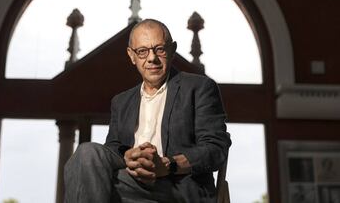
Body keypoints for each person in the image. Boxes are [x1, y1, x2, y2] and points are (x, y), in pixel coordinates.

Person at [64, 19, 231, 203]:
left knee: (89, 180)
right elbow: (112, 150)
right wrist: (128, 156)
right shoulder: (121, 101)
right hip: (130, 180)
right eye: (142, 51)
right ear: (131, 55)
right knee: (86, 154)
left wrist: (169, 164)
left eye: (159, 49)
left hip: (178, 187)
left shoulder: (199, 87)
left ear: (172, 50)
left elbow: (216, 149)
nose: (152, 58)